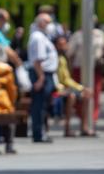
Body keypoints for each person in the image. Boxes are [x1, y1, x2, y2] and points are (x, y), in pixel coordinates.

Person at [67, 17, 104, 125]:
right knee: (80, 94)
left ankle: (92, 119)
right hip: (79, 68)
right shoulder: (77, 35)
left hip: (95, 68)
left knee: (95, 93)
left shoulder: (100, 34)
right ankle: (83, 119)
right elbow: (70, 53)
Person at [28, 14, 59, 143]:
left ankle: (40, 132)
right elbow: (37, 60)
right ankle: (38, 133)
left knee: (42, 105)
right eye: (47, 22)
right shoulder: (38, 37)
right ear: (40, 23)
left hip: (44, 74)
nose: (50, 25)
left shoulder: (43, 36)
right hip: (41, 74)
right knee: (39, 106)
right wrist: (41, 78)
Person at [55, 36, 93, 137]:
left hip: (64, 87)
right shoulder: (59, 59)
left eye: (64, 44)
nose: (63, 46)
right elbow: (64, 79)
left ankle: (84, 127)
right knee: (72, 96)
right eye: (60, 44)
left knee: (86, 95)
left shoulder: (65, 57)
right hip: (59, 88)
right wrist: (80, 87)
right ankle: (67, 128)